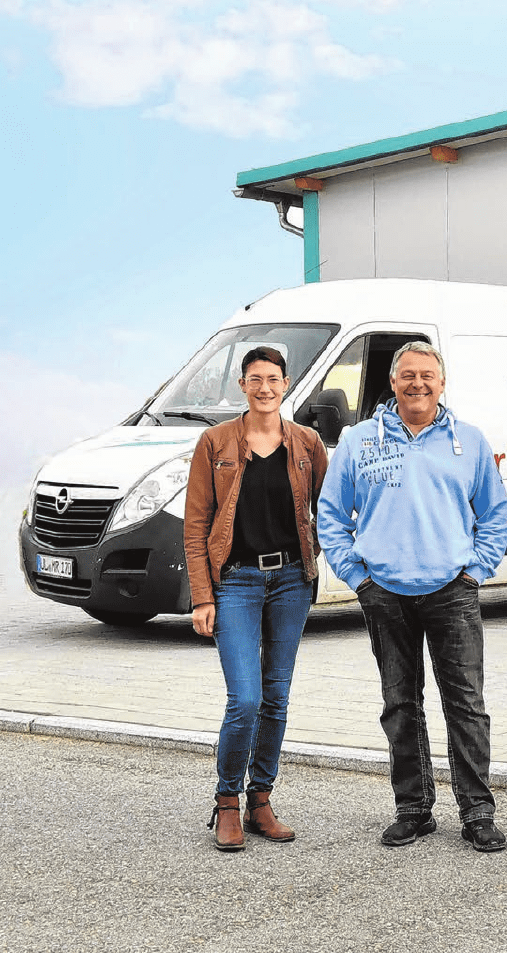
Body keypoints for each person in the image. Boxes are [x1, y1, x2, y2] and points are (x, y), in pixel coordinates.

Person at [317, 341, 507, 852]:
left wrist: (476, 572)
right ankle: (413, 809)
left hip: (453, 592)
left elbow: (495, 513)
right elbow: (330, 514)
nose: (417, 383)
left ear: (442, 383)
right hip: (384, 592)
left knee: (466, 706)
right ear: (393, 382)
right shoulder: (360, 440)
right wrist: (357, 577)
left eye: (427, 375)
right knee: (400, 705)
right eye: (407, 374)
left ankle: (477, 812)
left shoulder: (468, 441)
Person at [184, 346, 328, 852]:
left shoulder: (307, 442)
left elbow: (330, 508)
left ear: (285, 384)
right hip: (236, 582)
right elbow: (196, 524)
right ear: (242, 385)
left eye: (273, 379)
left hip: (291, 581)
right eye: (255, 379)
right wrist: (202, 597)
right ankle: (227, 801)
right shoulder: (215, 442)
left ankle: (260, 799)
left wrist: (331, 558)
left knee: (276, 697)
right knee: (244, 699)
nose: (264, 387)